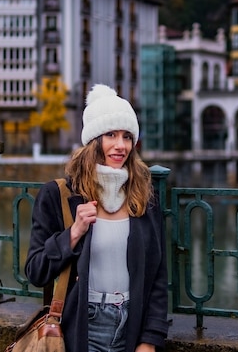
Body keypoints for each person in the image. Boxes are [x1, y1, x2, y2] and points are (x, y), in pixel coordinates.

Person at [25, 84, 169, 352]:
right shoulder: (59, 195)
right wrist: (73, 233)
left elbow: (158, 276)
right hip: (83, 325)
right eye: (111, 134)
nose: (120, 145)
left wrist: (150, 339)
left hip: (132, 325)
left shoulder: (143, 196)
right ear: (93, 141)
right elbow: (35, 270)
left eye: (127, 136)